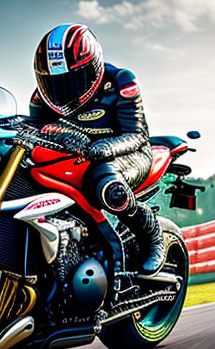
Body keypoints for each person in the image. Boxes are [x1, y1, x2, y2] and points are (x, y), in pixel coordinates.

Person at [28, 23, 165, 274]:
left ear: (94, 68)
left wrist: (101, 147)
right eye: (54, 84)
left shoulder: (122, 81)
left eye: (72, 80)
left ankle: (152, 236)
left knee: (107, 186)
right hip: (78, 158)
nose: (63, 91)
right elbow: (34, 135)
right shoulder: (39, 99)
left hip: (129, 154)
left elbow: (136, 136)